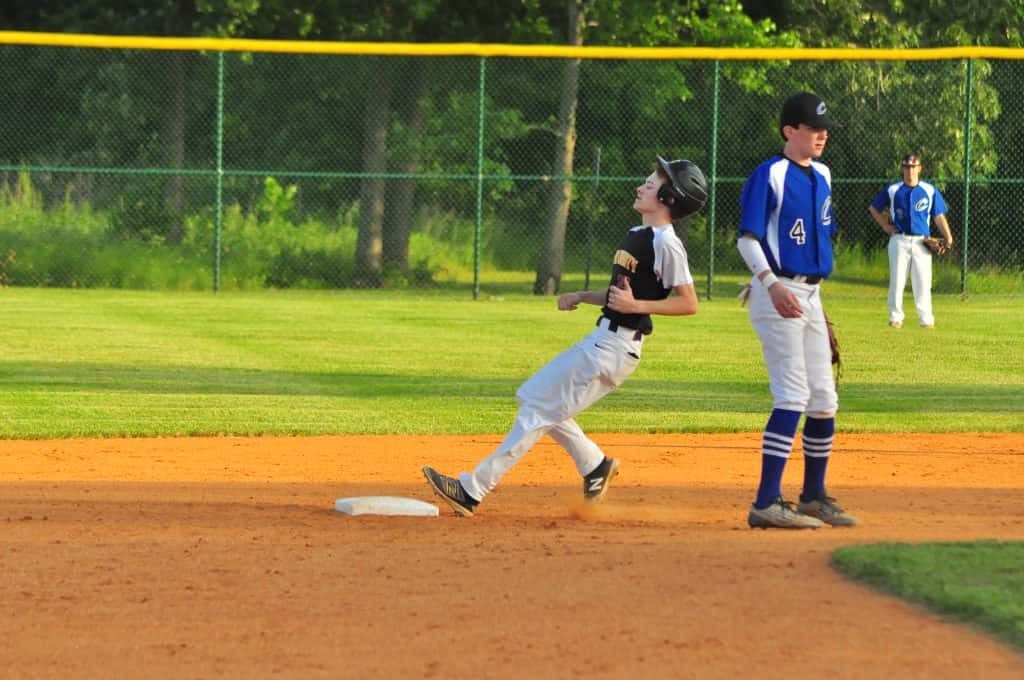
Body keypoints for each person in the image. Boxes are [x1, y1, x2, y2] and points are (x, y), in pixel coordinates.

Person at [423, 156, 708, 516]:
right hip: (603, 340)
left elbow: (688, 303)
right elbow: (618, 295)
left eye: (650, 185)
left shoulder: (666, 243)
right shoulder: (638, 235)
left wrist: (636, 306)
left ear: (668, 198)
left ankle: (471, 490)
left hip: (616, 347)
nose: (640, 187)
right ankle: (595, 465)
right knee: (534, 397)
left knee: (538, 409)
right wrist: (583, 296)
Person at [736, 91, 859, 529]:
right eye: (813, 128)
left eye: (825, 129)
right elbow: (748, 239)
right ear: (790, 131)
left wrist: (815, 303)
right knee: (792, 394)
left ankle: (812, 496)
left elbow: (816, 239)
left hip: (810, 294)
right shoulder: (769, 174)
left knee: (824, 398)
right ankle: (766, 502)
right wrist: (768, 283)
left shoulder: (823, 174)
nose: (822, 135)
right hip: (779, 292)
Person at [868, 153, 954, 329]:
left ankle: (926, 319)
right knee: (897, 280)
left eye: (913, 167)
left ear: (919, 169)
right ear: (903, 169)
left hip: (922, 241)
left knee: (923, 282)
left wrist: (948, 237)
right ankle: (895, 318)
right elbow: (874, 208)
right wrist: (885, 225)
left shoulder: (929, 190)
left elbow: (938, 216)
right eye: (907, 167)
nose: (910, 171)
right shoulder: (893, 190)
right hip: (899, 239)